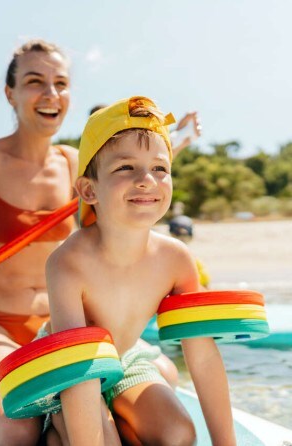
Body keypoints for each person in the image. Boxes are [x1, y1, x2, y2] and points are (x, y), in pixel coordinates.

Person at [0, 40, 176, 445]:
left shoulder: (77, 164)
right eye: (35, 82)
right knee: (14, 433)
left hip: (71, 328)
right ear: (11, 93)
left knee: (165, 387)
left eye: (61, 83)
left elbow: (115, 228)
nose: (51, 94)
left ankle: (65, 422)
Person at [45, 96, 235, 445]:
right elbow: (77, 368)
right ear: (89, 189)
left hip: (125, 358)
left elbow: (202, 356)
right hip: (67, 369)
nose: (147, 180)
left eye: (160, 168)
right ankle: (61, 429)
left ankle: (113, 419)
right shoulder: (68, 262)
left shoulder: (175, 259)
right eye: (125, 168)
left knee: (178, 436)